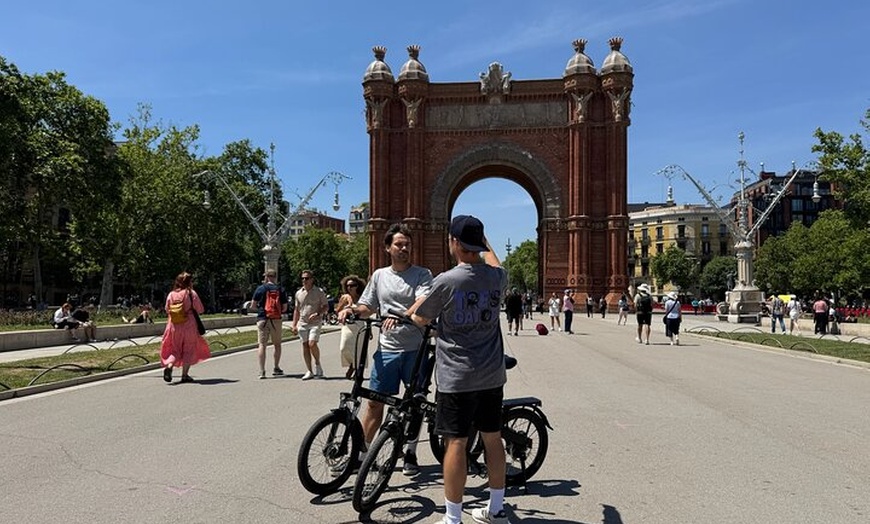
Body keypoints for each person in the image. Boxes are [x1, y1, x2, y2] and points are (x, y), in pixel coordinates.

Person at [409, 215, 510, 524]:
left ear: (453, 242)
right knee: (493, 439)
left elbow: (421, 319)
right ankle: (496, 509)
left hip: (457, 376)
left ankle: (453, 518)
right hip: (492, 374)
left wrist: (415, 311)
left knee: (456, 442)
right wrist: (484, 241)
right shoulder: (498, 277)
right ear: (478, 244)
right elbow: (493, 260)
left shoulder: (447, 281)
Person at [336, 223, 433, 476]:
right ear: (387, 248)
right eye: (399, 245)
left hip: (415, 348)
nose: (404, 248)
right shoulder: (379, 275)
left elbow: (423, 300)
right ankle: (363, 455)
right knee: (374, 404)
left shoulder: (422, 274)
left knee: (414, 404)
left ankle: (410, 452)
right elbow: (368, 304)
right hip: (387, 349)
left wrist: (402, 314)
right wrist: (352, 310)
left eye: (407, 245)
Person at [160, 272, 210, 383]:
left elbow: (167, 309)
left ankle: (169, 366)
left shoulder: (171, 294)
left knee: (174, 348)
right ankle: (185, 375)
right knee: (189, 349)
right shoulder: (191, 293)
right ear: (189, 282)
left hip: (174, 325)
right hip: (189, 325)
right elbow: (200, 309)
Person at [252, 269, 289, 379]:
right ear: (275, 277)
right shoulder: (280, 289)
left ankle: (262, 371)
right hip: (276, 319)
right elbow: (285, 307)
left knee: (262, 345)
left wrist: (260, 309)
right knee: (277, 345)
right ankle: (276, 367)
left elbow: (253, 305)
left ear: (266, 277)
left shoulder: (260, 289)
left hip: (263, 319)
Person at [292, 269, 328, 380]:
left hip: (315, 323)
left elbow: (326, 306)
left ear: (312, 279)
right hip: (302, 323)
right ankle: (309, 370)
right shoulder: (298, 293)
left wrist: (318, 313)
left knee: (312, 344)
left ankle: (317, 363)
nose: (304, 280)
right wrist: (294, 324)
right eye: (302, 278)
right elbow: (296, 310)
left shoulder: (319, 292)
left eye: (307, 278)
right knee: (305, 345)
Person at [335, 274, 366, 380]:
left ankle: (357, 372)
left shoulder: (362, 297)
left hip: (360, 325)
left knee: (358, 349)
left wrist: (369, 331)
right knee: (344, 347)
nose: (350, 287)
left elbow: (366, 312)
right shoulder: (344, 297)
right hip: (347, 326)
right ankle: (352, 364)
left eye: (353, 285)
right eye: (348, 285)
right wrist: (343, 303)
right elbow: (337, 311)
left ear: (358, 286)